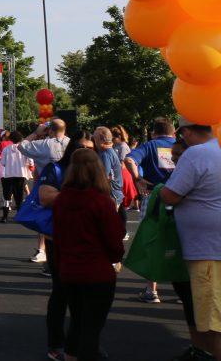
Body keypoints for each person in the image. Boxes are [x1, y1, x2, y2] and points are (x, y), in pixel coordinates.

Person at [52, 148, 125, 361]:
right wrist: (116, 258)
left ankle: (70, 356)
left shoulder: (61, 200)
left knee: (76, 321)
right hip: (97, 272)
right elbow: (114, 241)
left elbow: (57, 235)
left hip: (69, 270)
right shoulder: (101, 202)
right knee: (92, 328)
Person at [161, 119, 221, 361]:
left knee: (213, 320)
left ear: (185, 132)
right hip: (211, 245)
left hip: (207, 249)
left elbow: (170, 195)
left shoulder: (197, 154)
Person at [38, 130, 94, 361]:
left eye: (91, 150)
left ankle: (84, 344)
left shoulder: (96, 173)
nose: (86, 153)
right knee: (61, 292)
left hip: (88, 240)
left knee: (87, 295)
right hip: (59, 239)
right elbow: (44, 197)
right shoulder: (56, 169)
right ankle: (56, 344)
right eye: (82, 148)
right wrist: (80, 199)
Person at [127, 117, 178, 304]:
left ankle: (152, 290)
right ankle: (181, 289)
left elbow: (129, 159)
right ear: (173, 132)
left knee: (152, 242)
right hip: (179, 196)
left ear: (154, 132)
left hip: (154, 196)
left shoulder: (149, 146)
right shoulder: (181, 144)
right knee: (179, 241)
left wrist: (137, 178)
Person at [20, 119, 70, 264]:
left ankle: (45, 253)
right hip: (68, 187)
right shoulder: (71, 143)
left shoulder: (44, 145)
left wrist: (36, 133)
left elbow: (22, 146)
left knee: (45, 221)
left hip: (48, 187)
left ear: (50, 130)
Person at [0, 134, 33, 222]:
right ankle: (19, 216)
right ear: (21, 139)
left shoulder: (6, 149)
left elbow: (3, 163)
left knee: (7, 196)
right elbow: (31, 161)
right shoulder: (24, 148)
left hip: (8, 175)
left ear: (11, 139)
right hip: (21, 174)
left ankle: (5, 217)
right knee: (19, 196)